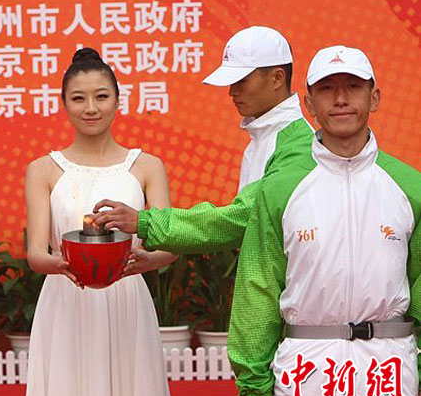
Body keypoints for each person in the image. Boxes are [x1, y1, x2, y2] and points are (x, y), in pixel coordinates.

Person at [228, 45, 421, 396]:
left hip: (386, 370)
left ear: (375, 97)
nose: (341, 99)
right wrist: (256, 387)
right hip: (307, 369)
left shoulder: (409, 186)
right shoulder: (279, 188)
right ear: (308, 103)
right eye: (327, 88)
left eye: (353, 86)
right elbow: (258, 286)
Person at [22, 48, 178, 396]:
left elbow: (169, 242)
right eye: (79, 98)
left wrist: (142, 261)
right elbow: (36, 253)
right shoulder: (43, 169)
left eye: (101, 96)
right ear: (64, 104)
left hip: (126, 299)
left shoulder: (147, 166)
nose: (90, 108)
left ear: (118, 100)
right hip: (66, 301)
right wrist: (63, 265)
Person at [92, 26, 313, 259]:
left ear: (277, 78)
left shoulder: (297, 145)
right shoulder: (263, 137)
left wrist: (145, 222)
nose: (232, 92)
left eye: (241, 81)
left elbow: (243, 217)